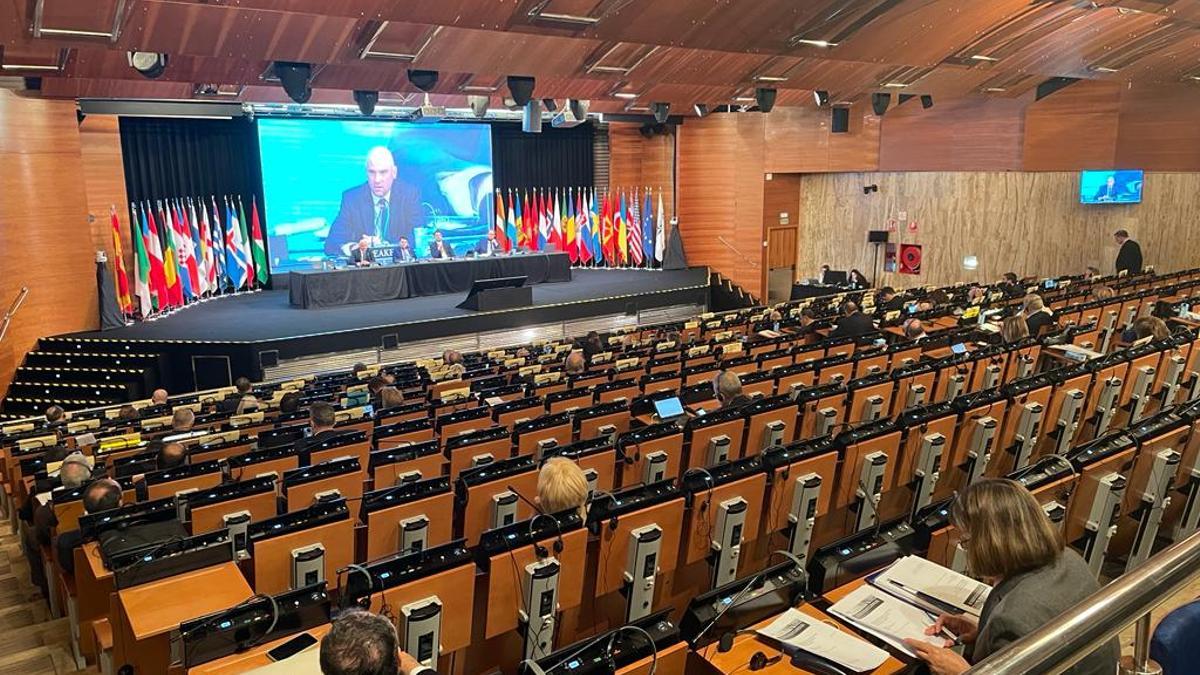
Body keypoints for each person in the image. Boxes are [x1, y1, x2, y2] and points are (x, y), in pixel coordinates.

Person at [903, 479, 1119, 675]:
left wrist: (961, 672)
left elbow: (1023, 623)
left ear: (988, 544)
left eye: (967, 541)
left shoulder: (1013, 619)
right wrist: (985, 634)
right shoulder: (1068, 559)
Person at [324, 146, 425, 257]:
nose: (377, 180)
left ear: (394, 172)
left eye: (383, 172)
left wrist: (383, 246)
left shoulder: (409, 195)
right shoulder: (352, 199)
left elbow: (418, 238)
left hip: (400, 268)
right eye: (372, 172)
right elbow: (332, 242)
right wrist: (354, 248)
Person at [56, 478, 123, 578]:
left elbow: (69, 570)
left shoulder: (65, 542)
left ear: (85, 507)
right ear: (120, 503)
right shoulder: (136, 527)